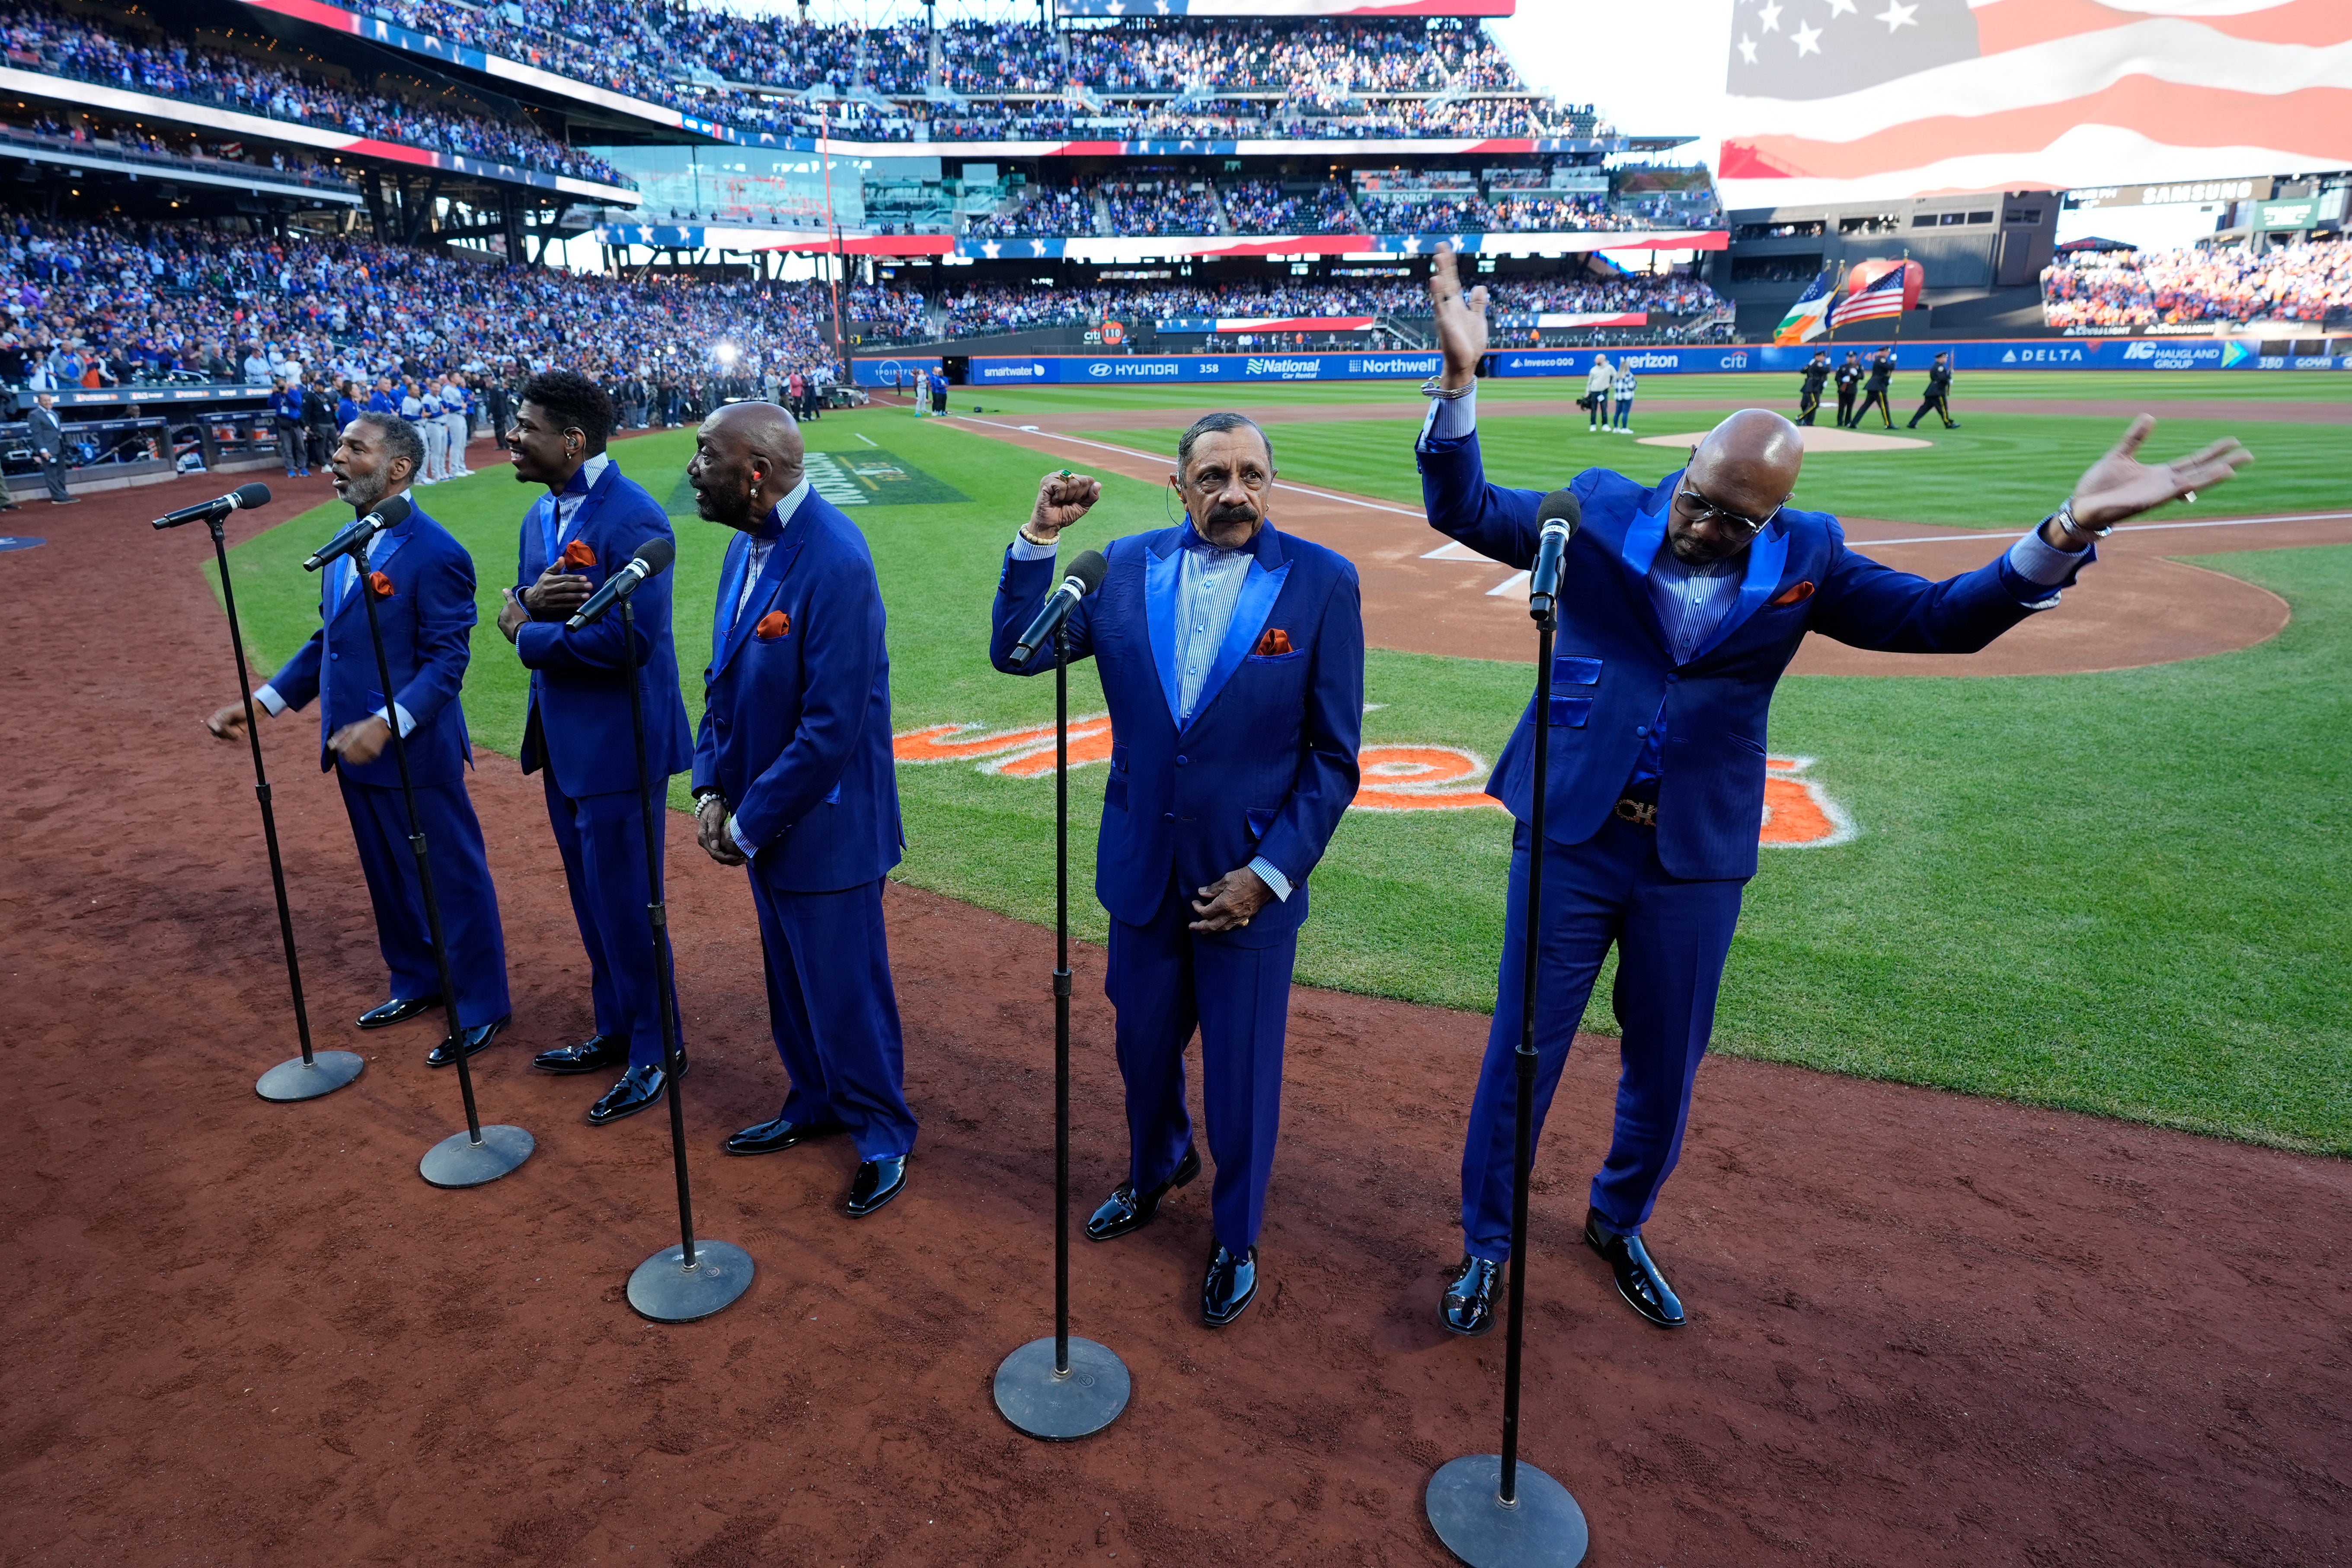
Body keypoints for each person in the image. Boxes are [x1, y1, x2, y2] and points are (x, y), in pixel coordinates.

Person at [1412, 242, 2249, 1335]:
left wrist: (2064, 532)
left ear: (1777, 513)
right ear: (1689, 471)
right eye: (1705, 504)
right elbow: (1461, 504)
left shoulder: (1809, 553)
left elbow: (1941, 620)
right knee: (1524, 1050)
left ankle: (1618, 1221)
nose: (1713, 529)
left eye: (1740, 520)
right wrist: (1459, 383)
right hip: (1570, 833)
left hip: (1695, 856)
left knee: (1666, 1066)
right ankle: (1487, 1241)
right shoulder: (1598, 509)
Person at [989, 415, 1366, 1329]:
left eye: (1249, 474)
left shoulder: (1320, 582)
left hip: (1247, 885)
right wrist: (1039, 539)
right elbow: (1017, 651)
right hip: (1144, 870)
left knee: (1241, 1074)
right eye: (1211, 475)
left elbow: (1333, 759)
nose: (1231, 492)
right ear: (1178, 484)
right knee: (1141, 1050)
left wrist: (1267, 873)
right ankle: (1157, 1163)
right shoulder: (1118, 566)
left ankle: (1235, 1234)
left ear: (1270, 481)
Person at [206, 412, 515, 1066]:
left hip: (412, 749)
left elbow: (447, 663)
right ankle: (418, 980)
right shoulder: (346, 537)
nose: (335, 456)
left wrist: (389, 720)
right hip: (350, 745)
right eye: (339, 445)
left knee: (449, 879)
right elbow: (331, 639)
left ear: (398, 468)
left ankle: (483, 1002)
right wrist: (265, 702)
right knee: (387, 877)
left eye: (353, 447)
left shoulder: (438, 552)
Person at [686, 401, 918, 1219]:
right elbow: (721, 684)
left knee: (845, 989)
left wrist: (745, 824)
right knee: (790, 983)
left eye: (706, 454)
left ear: (755, 472)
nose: (692, 469)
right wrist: (711, 785)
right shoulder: (743, 550)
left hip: (825, 824)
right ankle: (814, 1098)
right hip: (763, 816)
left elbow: (831, 727)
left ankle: (883, 1132)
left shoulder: (837, 558)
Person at [492, 370, 695, 1124]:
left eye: (525, 427)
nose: (512, 437)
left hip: (620, 745)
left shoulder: (634, 518)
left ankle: (657, 1047)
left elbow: (629, 642)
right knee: (592, 901)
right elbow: (521, 599)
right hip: (564, 742)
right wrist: (524, 614)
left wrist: (525, 632)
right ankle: (616, 1028)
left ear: (572, 441)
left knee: (628, 904)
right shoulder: (537, 514)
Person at [29, 392, 74, 504]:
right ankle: (57, 497)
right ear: (39, 402)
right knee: (52, 474)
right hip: (48, 449)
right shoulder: (35, 415)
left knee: (61, 473)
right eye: (45, 400)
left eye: (49, 400)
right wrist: (43, 450)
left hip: (59, 447)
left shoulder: (54, 414)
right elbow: (37, 434)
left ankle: (64, 494)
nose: (48, 402)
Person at [1908, 352, 1960, 430]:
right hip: (1938, 392)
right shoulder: (1940, 367)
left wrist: (1948, 374)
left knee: (1924, 409)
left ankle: (1913, 423)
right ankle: (1948, 423)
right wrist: (1949, 380)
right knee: (1943, 408)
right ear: (1941, 358)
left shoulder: (1936, 366)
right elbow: (1942, 379)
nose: (1946, 359)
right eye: (1945, 358)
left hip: (1932, 391)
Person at [271, 377, 308, 478]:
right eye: (280, 385)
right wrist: (274, 394)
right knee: (287, 448)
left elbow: (298, 404)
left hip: (295, 423)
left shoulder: (294, 392)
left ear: (286, 384)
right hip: (283, 424)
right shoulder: (277, 395)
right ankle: (291, 469)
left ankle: (303, 468)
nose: (282, 387)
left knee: (300, 446)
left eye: (283, 384)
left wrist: (287, 394)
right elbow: (270, 405)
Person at [1854, 348, 1895, 430]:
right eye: (1887, 352)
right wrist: (1894, 361)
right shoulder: (1881, 360)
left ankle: (1854, 423)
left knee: (1865, 406)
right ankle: (1888, 424)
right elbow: (1891, 368)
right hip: (1878, 387)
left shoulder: (1881, 360)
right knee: (1884, 406)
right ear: (1883, 352)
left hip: (1874, 386)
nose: (1888, 354)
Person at [1797, 351, 1830, 427]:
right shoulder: (1817, 364)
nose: (1824, 358)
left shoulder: (1817, 364)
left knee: (1812, 405)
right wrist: (1828, 364)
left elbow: (1823, 374)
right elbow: (1827, 371)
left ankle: (1809, 422)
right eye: (1823, 357)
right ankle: (1801, 418)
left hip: (1815, 387)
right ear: (1818, 357)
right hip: (1813, 387)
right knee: (1814, 404)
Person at [1584, 353, 1614, 434]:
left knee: (1604, 409)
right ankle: (1593, 425)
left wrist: (1611, 385)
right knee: (1593, 409)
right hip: (1594, 392)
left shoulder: (1609, 368)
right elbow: (1589, 382)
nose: (1596, 361)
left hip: (1603, 392)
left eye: (1598, 360)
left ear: (1602, 360)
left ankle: (1605, 425)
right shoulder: (1593, 370)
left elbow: (1615, 376)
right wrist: (1587, 392)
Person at [1833, 350, 1862, 428]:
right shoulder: (1842, 367)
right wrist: (1843, 380)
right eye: (1849, 357)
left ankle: (1848, 422)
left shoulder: (1859, 367)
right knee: (1841, 407)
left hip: (1852, 389)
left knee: (1850, 407)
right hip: (1843, 390)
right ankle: (1840, 422)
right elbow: (1837, 378)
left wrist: (1856, 374)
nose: (1851, 359)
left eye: (1852, 357)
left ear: (1855, 358)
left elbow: (1862, 377)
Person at [1611, 360, 1638, 434]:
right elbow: (1632, 386)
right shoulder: (1629, 375)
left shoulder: (1617, 375)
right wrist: (1635, 385)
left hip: (1618, 396)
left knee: (1617, 413)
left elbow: (1613, 385)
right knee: (1625, 412)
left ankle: (1616, 428)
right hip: (1627, 396)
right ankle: (1624, 428)